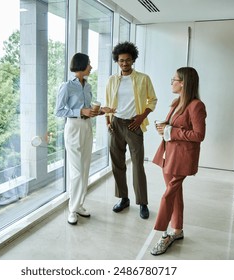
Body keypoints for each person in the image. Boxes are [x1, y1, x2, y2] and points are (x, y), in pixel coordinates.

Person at [150, 67, 207, 255]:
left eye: (173, 79)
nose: (171, 82)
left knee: (168, 195)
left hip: (182, 159)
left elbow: (199, 135)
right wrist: (164, 127)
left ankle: (164, 234)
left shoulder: (196, 105)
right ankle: (178, 230)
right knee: (175, 195)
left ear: (183, 82)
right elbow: (173, 128)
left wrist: (170, 131)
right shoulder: (177, 102)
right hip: (169, 155)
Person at [55, 53, 114, 225]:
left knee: (86, 168)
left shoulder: (87, 86)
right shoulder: (66, 87)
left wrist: (103, 110)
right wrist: (80, 112)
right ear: (81, 65)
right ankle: (72, 210)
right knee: (77, 172)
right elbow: (58, 111)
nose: (91, 66)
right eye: (89, 64)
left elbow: (90, 110)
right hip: (73, 128)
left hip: (87, 127)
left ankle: (79, 204)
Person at [105, 42, 158, 219]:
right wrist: (108, 122)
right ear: (117, 61)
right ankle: (123, 198)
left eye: (128, 60)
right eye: (121, 61)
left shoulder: (143, 79)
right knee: (117, 163)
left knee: (137, 164)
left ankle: (142, 202)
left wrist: (142, 116)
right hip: (116, 124)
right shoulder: (112, 80)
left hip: (134, 125)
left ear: (133, 60)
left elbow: (153, 100)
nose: (124, 64)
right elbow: (107, 104)